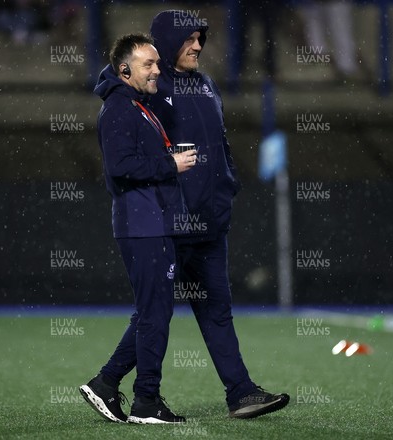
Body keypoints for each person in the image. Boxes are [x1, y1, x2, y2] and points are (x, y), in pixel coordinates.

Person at [149, 10, 290, 419]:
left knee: (217, 311)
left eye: (200, 39)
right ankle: (113, 383)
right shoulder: (153, 87)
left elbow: (221, 145)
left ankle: (241, 393)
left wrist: (226, 186)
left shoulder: (208, 84)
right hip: (173, 222)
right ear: (167, 40)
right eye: (189, 39)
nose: (197, 46)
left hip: (210, 222)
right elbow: (119, 109)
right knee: (153, 312)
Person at [79, 33, 197, 424]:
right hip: (142, 224)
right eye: (149, 64)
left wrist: (167, 160)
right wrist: (171, 165)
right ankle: (146, 400)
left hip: (152, 222)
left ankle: (107, 384)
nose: (157, 71)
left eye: (158, 63)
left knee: (152, 312)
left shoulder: (134, 106)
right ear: (124, 70)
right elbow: (120, 167)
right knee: (154, 313)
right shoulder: (119, 108)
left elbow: (133, 160)